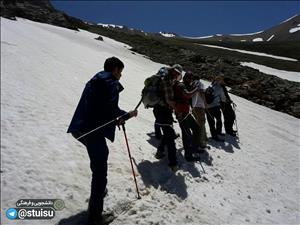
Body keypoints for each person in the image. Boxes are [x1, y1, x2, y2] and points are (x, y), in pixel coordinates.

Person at [67, 57, 138, 225]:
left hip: (80, 128)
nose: (120, 75)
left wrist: (117, 117)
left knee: (101, 156)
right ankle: (95, 217)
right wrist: (127, 115)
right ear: (115, 69)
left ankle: (99, 192)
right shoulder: (110, 83)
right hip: (92, 130)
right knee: (100, 171)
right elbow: (111, 110)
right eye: (120, 71)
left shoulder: (96, 79)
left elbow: (101, 108)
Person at [153, 64, 182, 170]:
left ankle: (159, 152)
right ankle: (173, 163)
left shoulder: (168, 79)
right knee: (170, 136)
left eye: (178, 74)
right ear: (172, 71)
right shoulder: (166, 80)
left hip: (162, 110)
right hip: (163, 110)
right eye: (176, 72)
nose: (176, 75)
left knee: (167, 133)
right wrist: (177, 109)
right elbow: (169, 100)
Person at [173, 71, 205, 161]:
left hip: (185, 113)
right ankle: (188, 155)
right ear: (185, 77)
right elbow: (187, 95)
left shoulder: (186, 85)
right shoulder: (181, 86)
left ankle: (194, 148)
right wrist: (196, 89)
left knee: (196, 128)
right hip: (181, 113)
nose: (190, 80)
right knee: (187, 133)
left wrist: (195, 88)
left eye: (191, 78)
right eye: (189, 78)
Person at [184, 71, 208, 149]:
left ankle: (201, 139)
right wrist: (205, 104)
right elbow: (202, 94)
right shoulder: (200, 84)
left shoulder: (192, 84)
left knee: (198, 122)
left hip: (193, 106)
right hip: (200, 106)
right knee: (201, 123)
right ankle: (201, 142)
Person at [206, 75, 226, 142]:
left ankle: (214, 135)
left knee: (211, 123)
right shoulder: (220, 88)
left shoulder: (209, 87)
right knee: (218, 120)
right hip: (216, 107)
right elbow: (223, 99)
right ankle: (218, 132)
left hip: (208, 107)